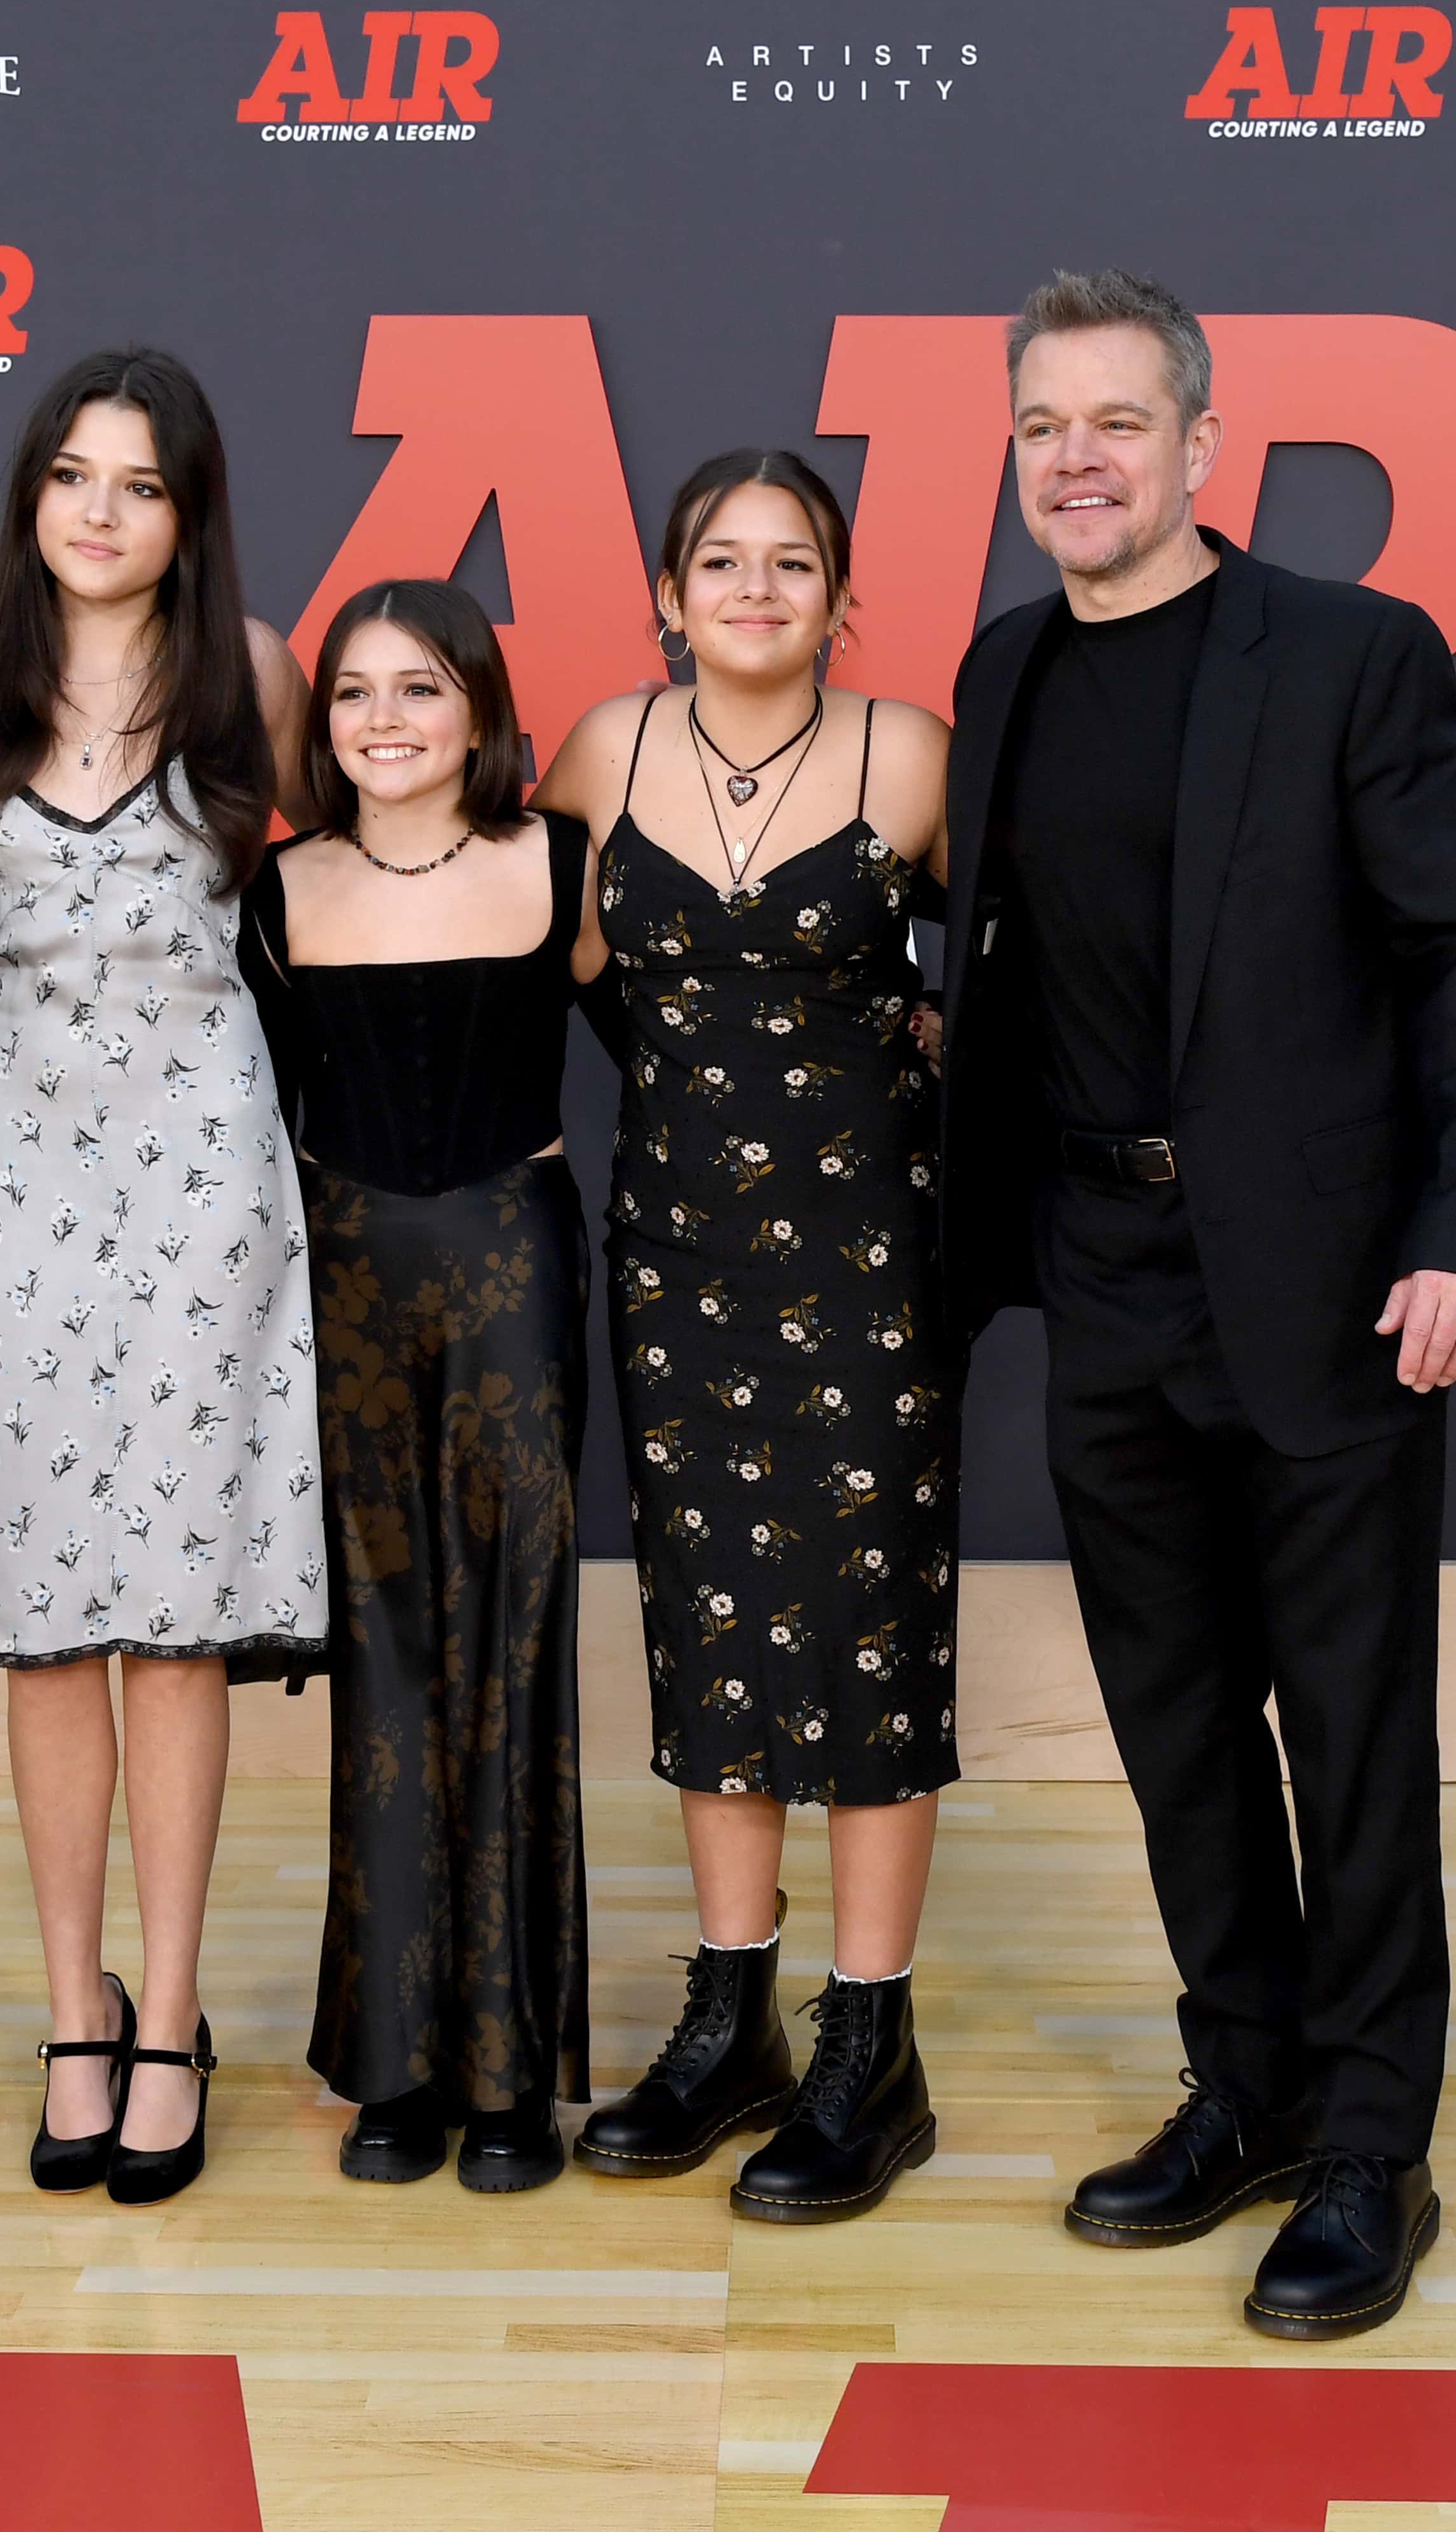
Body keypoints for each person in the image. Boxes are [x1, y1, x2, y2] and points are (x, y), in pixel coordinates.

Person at [937, 270, 1456, 2338]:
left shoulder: (1355, 655)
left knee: (1352, 1731)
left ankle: (1375, 2146)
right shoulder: (1005, 671)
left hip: (1332, 1284)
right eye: (1044, 425)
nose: (1079, 456)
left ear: (1203, 446)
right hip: (1107, 1274)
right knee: (1177, 1721)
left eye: (1118, 419)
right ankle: (1254, 2084)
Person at [0, 348, 325, 2207]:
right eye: (70, 475)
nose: (98, 509)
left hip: (207, 1181)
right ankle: (71, 2003)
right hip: (15, 1177)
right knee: (43, 1611)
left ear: (188, 509)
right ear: (29, 499)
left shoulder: (258, 674)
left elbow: (347, 905)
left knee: (175, 1611)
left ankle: (173, 2012)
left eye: (138, 483)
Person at [531, 450, 961, 2223]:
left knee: (865, 1630)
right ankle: (734, 2018)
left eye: (796, 564)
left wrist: (924, 1057)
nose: (759, 588)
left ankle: (874, 2043)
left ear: (842, 598)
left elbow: (1005, 976)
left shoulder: (913, 754)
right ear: (667, 591)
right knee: (709, 1614)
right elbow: (543, 969)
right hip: (680, 1251)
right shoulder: (598, 752)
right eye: (725, 559)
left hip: (870, 1257)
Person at [239, 580, 590, 2192]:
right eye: (356, 694)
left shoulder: (561, 865)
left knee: (512, 1644)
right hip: (348, 1282)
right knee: (384, 1652)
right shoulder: (275, 892)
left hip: (517, 1267)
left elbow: (699, 1030)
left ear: (481, 710)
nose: (385, 721)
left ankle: (511, 2075)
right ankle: (396, 2069)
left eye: (422, 690)